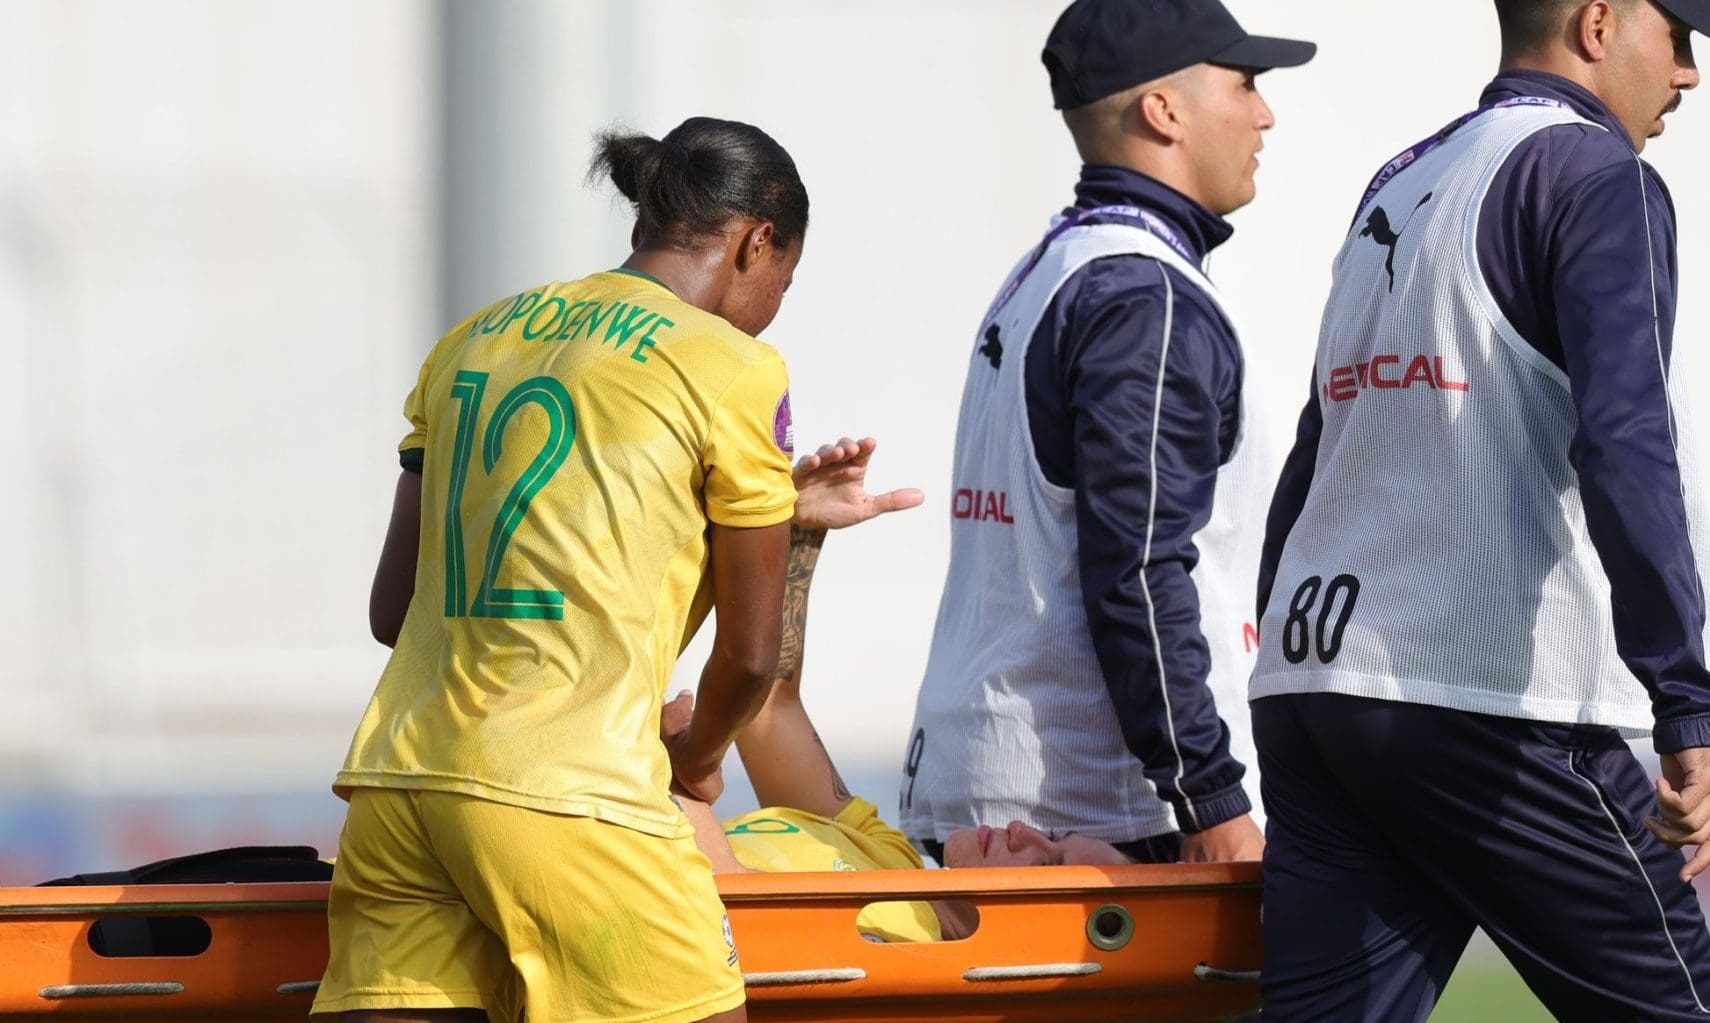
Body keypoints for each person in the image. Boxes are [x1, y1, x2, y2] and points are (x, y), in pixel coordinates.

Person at [1250, 2, 1710, 1019]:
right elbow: (1628, 445)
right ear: (1597, 24)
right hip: (1490, 703)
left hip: (1315, 684)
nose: (1686, 74)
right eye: (1678, 39)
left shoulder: (1401, 178)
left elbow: (1317, 444)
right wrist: (1685, 698)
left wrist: (1279, 661)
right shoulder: (1597, 175)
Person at [313, 117, 812, 1023]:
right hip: (572, 798)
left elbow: (397, 609)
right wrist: (696, 763)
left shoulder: (474, 337)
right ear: (756, 242)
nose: (778, 300)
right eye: (786, 278)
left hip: (401, 785)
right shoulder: (733, 368)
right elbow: (749, 656)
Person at [900, 0, 1314, 867]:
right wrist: (1211, 794)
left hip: (996, 783)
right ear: (1163, 112)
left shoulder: (1057, 267)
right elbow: (1137, 564)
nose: (1266, 114)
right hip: (1099, 810)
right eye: (1244, 84)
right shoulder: (1143, 297)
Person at [666, 438, 1135, 945]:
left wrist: (673, 775)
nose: (1024, 831)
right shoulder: (894, 861)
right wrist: (795, 532)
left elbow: (728, 912)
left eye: (1047, 861)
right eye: (1054, 836)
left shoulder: (898, 947)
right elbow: (768, 712)